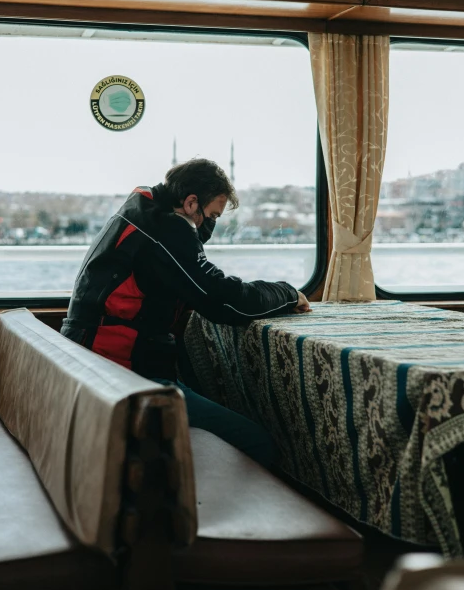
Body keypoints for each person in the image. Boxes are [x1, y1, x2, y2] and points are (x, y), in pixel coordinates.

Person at [61, 158, 311, 467]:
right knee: (260, 444)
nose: (212, 225)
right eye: (213, 216)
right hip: (122, 378)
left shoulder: (141, 212)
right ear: (191, 202)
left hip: (92, 364)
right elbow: (224, 301)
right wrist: (287, 293)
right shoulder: (165, 230)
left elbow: (193, 281)